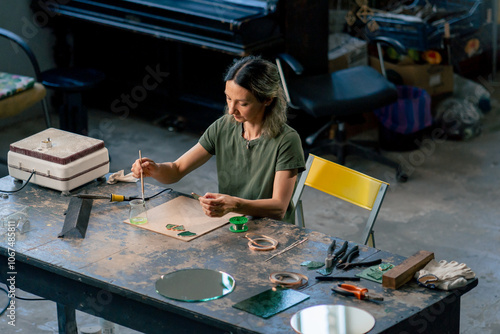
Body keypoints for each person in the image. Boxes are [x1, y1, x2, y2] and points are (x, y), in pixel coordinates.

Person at [131, 55, 305, 223]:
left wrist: (235, 204)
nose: (231, 110)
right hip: (232, 223)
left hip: (272, 233)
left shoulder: (287, 141)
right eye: (228, 98)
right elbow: (176, 169)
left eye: (242, 103)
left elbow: (279, 208)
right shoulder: (224, 126)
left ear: (267, 100)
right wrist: (154, 169)